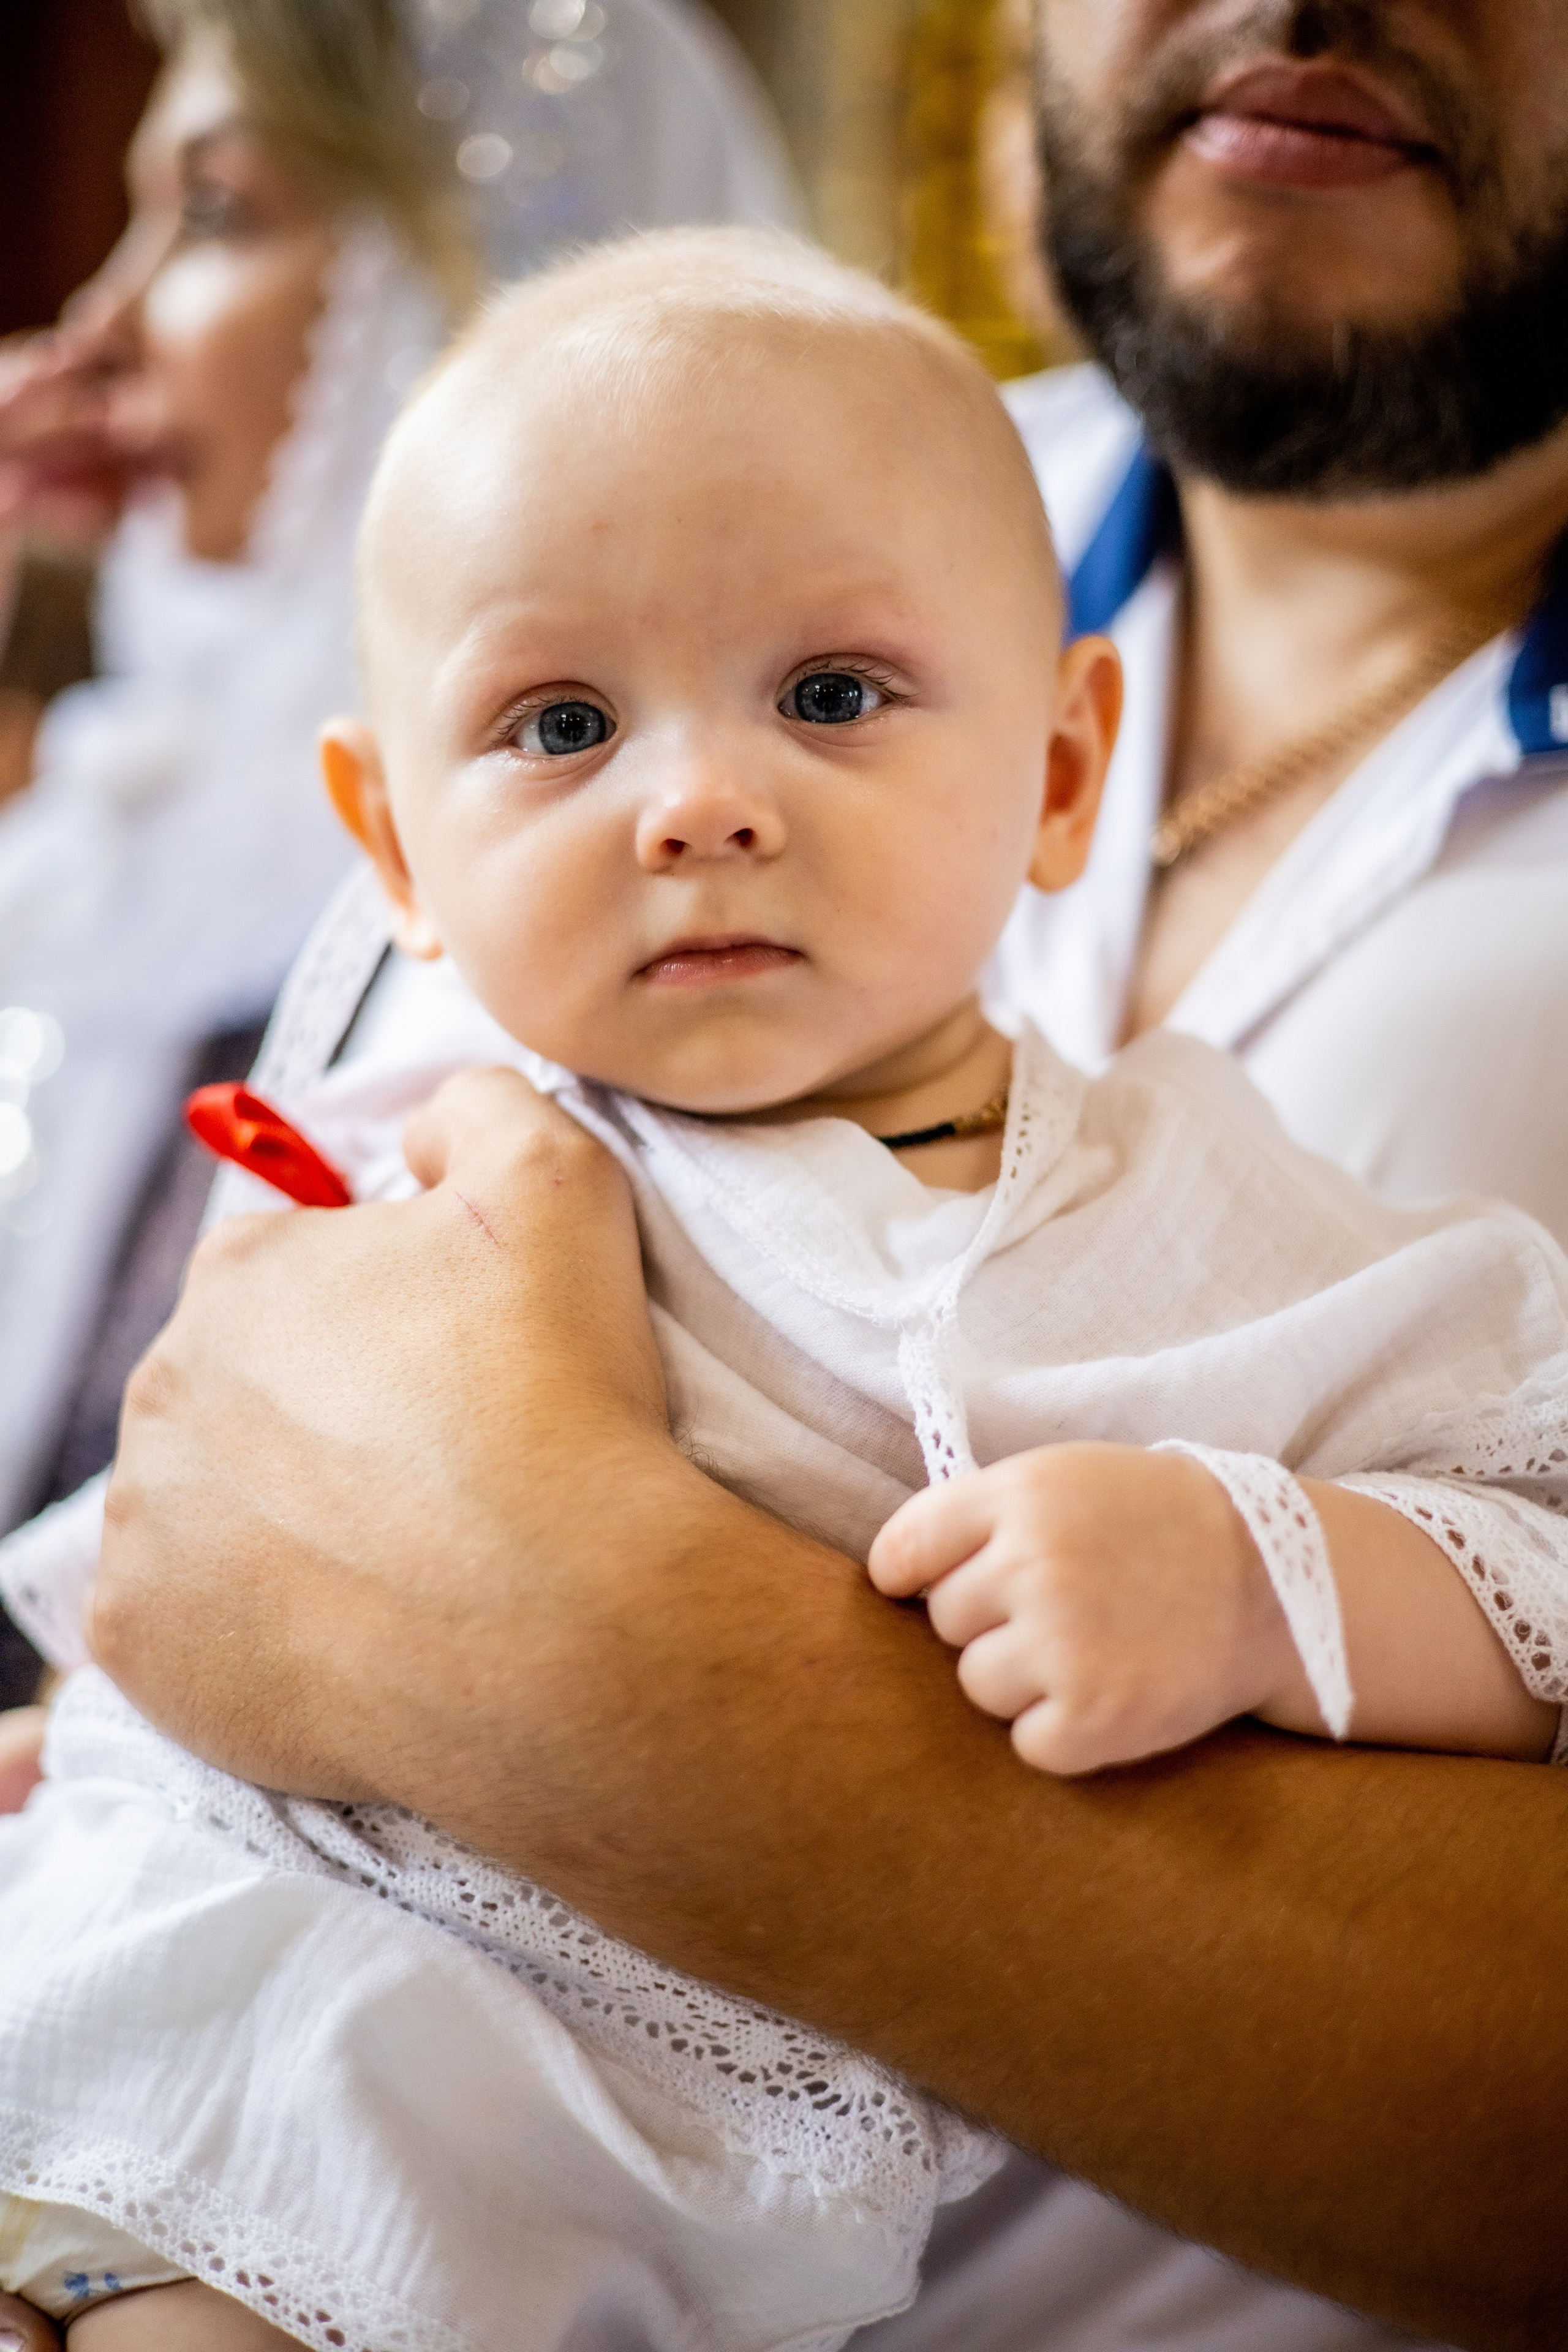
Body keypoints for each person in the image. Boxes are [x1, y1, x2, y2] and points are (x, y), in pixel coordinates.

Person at [64, 2, 1568, 2346]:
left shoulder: (1218, 1216)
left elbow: (1531, 1541)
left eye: (839, 698)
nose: (694, 802)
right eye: (562, 732)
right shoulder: (656, 461)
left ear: (1052, 763)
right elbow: (209, 1520)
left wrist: (615, 1662)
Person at [0, 0, 802, 1562]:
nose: (99, 322)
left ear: (456, 294)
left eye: (216, 215)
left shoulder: (614, 948)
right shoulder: (118, 825)